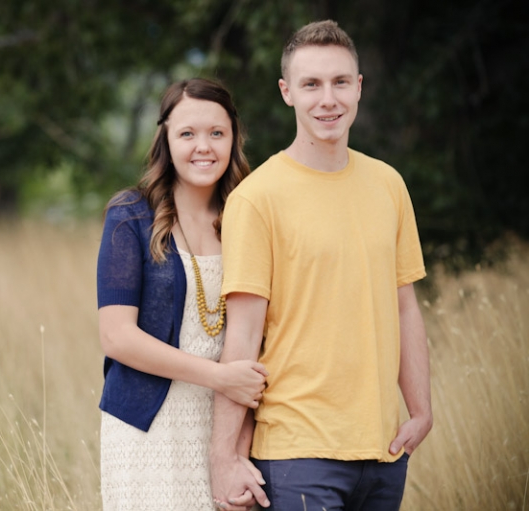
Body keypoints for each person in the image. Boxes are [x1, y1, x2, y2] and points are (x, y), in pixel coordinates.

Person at [209, 20, 433, 511]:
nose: (327, 99)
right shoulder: (257, 198)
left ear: (359, 88)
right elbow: (241, 339)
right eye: (311, 84)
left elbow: (404, 308)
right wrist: (224, 456)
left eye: (339, 82)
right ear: (287, 93)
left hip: (384, 451)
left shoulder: (389, 185)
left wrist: (421, 410)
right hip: (297, 452)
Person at [96, 77, 269, 510]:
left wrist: (236, 446)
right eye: (187, 134)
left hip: (228, 423)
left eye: (216, 133)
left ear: (234, 138)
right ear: (166, 140)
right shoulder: (130, 217)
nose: (203, 146)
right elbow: (117, 336)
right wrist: (218, 377)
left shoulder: (249, 218)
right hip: (146, 432)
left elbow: (261, 339)